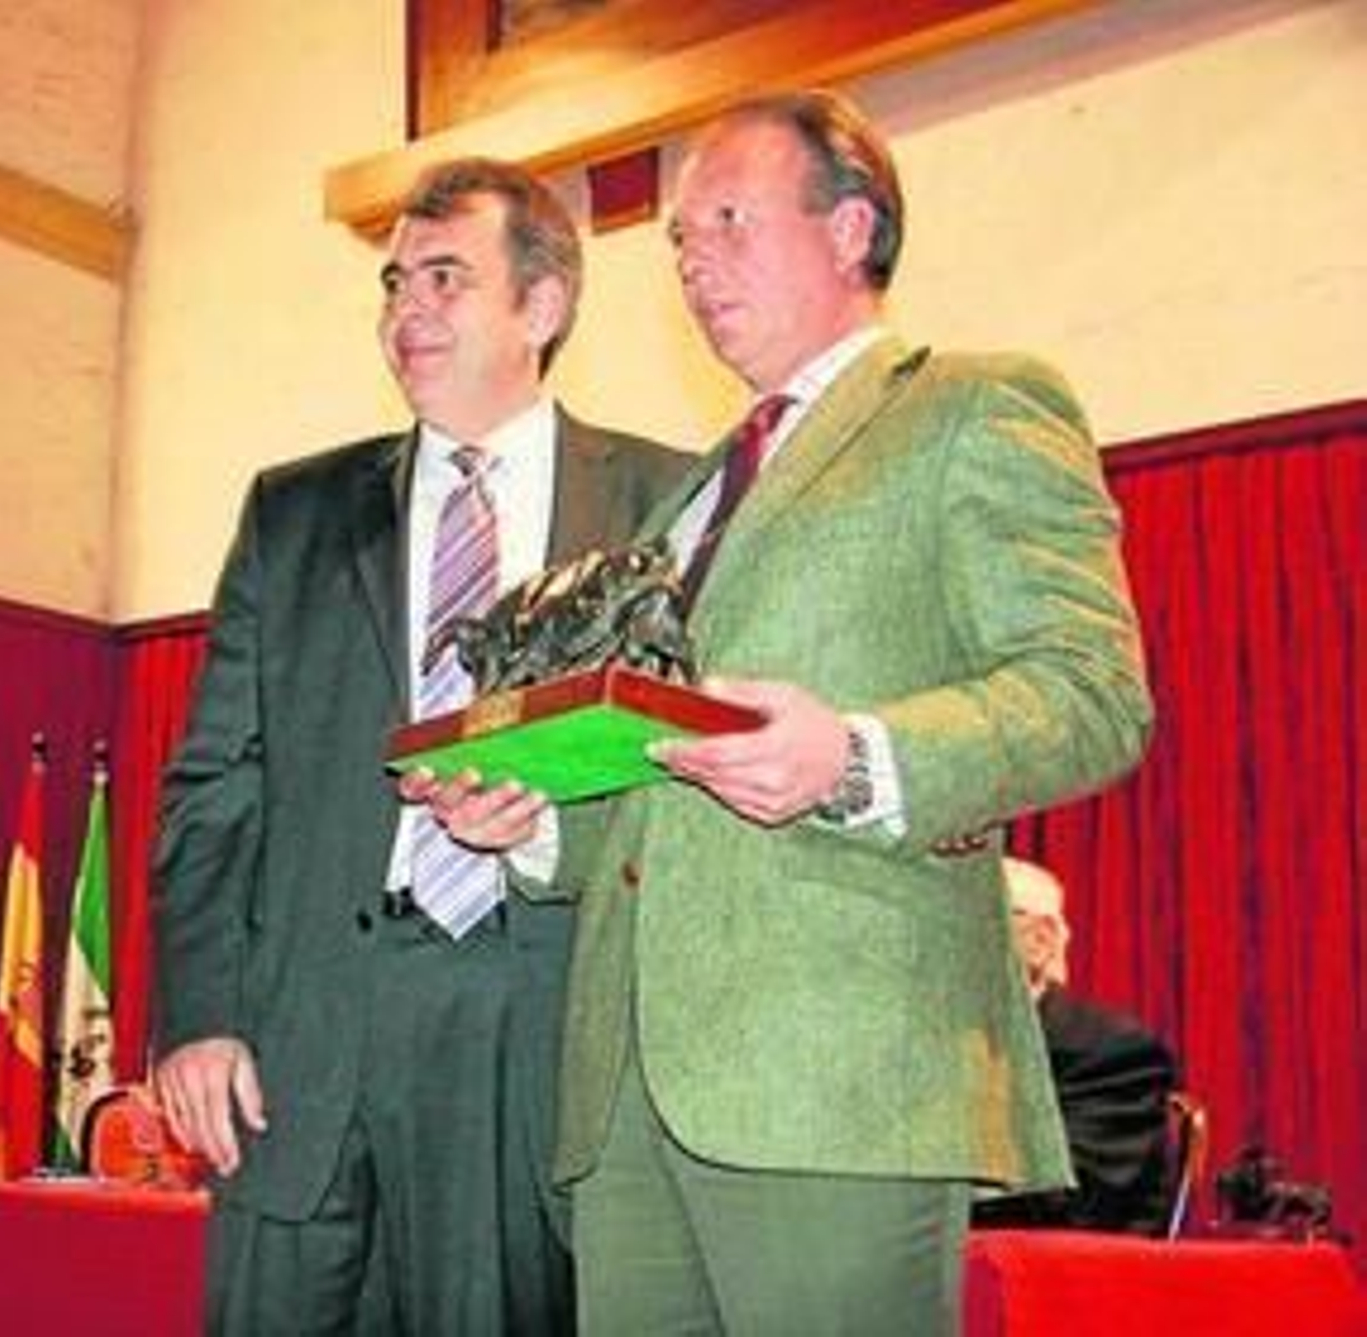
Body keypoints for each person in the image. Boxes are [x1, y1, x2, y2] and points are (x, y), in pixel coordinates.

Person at [413, 90, 1154, 1334]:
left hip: (837, 1074)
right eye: (681, 242)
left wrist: (856, 758)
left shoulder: (974, 403)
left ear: (851, 226)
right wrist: (531, 827)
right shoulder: (689, 496)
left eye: (729, 224)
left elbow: (1091, 691)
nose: (695, 264)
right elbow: (664, 781)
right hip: (629, 1090)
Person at [151, 156, 686, 1335]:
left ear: (540, 308)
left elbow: (682, 779)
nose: (406, 312)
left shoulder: (666, 501)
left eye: (447, 278)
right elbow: (214, 781)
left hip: (538, 1012)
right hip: (302, 1034)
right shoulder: (292, 513)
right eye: (396, 284)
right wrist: (198, 1011)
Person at [973, 857, 1178, 1235]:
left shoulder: (1112, 1053)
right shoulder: (923, 1045)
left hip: (1056, 1275)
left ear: (1039, 940)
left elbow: (1063, 1200)